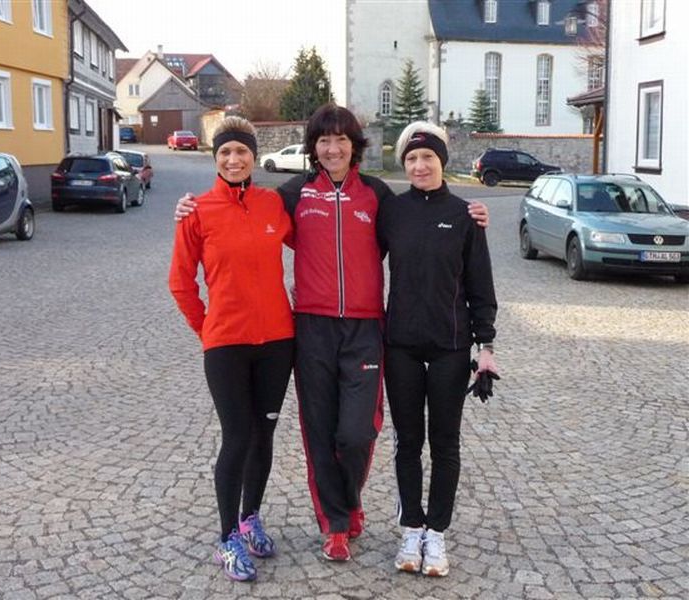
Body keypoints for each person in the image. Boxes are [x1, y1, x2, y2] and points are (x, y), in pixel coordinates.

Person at [175, 104, 490, 562]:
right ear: (314, 148)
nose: (332, 148)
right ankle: (336, 525)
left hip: (364, 328)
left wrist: (469, 213)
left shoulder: (378, 195)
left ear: (353, 145)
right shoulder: (292, 195)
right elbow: (247, 212)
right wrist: (188, 208)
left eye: (341, 139)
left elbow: (421, 220)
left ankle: (351, 500)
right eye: (324, 140)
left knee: (356, 433)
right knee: (319, 432)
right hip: (311, 327)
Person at [168, 116, 294, 582]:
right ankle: (227, 537)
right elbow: (180, 282)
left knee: (264, 436)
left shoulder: (272, 204)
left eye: (241, 151)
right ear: (215, 158)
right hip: (226, 346)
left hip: (278, 341)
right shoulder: (196, 211)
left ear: (254, 157)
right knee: (237, 436)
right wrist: (208, 329)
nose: (234, 159)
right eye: (225, 152)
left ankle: (250, 517)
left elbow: (319, 233)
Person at [377, 121, 499, 577]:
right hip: (401, 345)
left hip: (450, 345)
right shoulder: (393, 212)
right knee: (408, 442)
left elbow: (480, 285)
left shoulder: (466, 215)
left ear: (442, 162)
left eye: (427, 157)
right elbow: (356, 253)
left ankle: (437, 533)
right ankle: (411, 528)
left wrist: (486, 345)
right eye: (411, 159)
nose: (419, 165)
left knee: (445, 442)